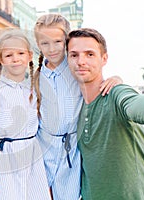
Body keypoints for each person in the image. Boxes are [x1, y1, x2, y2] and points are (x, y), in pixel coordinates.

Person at [33, 14, 122, 199]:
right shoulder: (36, 76)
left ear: (67, 41)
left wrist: (117, 79)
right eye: (45, 43)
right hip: (42, 148)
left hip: (71, 149)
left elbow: (97, 79)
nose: (52, 49)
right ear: (38, 45)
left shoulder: (76, 67)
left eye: (58, 42)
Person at [66, 27, 144, 200]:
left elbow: (137, 104)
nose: (81, 61)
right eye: (74, 55)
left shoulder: (117, 93)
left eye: (90, 54)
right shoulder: (73, 107)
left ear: (104, 59)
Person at [0, 29, 51, 200]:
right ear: (1, 59)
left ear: (29, 56)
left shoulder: (34, 88)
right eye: (9, 55)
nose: (15, 58)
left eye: (20, 53)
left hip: (32, 157)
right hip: (5, 158)